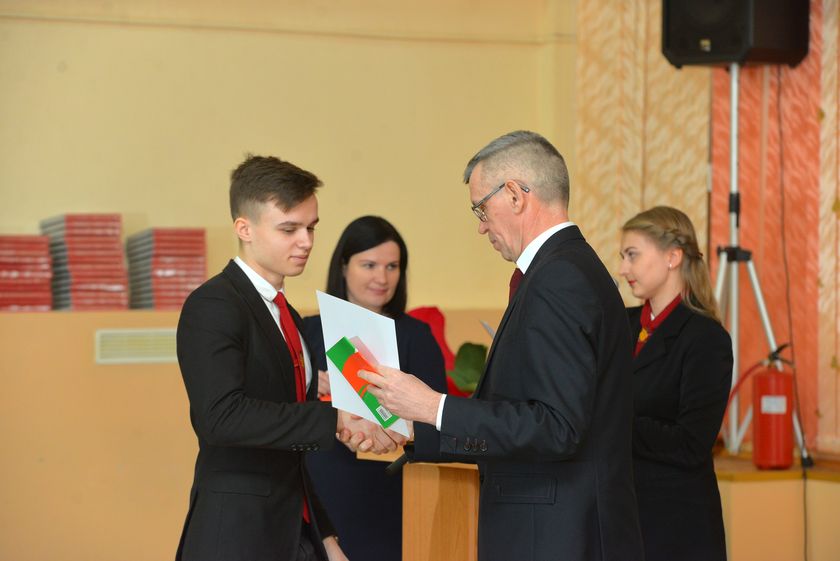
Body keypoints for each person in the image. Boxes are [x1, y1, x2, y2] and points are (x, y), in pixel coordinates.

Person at [359, 130, 644, 561]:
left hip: (555, 536)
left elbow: (556, 427)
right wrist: (417, 429)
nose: (481, 226)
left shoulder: (558, 279)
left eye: (481, 208)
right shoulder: (566, 268)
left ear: (514, 194)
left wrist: (433, 407)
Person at [174, 155, 403, 561]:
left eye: (311, 227)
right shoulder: (214, 305)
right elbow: (221, 417)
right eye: (289, 229)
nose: (307, 242)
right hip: (237, 535)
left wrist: (326, 538)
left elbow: (288, 453)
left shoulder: (288, 316)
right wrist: (333, 419)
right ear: (244, 228)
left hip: (292, 532)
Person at [303, 215, 447, 561]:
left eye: (392, 266)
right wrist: (309, 386)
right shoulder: (307, 332)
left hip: (391, 493)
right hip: (321, 491)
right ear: (343, 266)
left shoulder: (417, 336)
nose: (382, 278)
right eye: (369, 265)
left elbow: (439, 423)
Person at [619, 206, 733, 561]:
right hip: (623, 519)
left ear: (673, 257)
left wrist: (613, 421)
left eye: (632, 255)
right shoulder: (621, 325)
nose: (623, 269)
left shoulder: (706, 338)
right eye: (623, 257)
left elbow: (691, 443)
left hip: (677, 527)